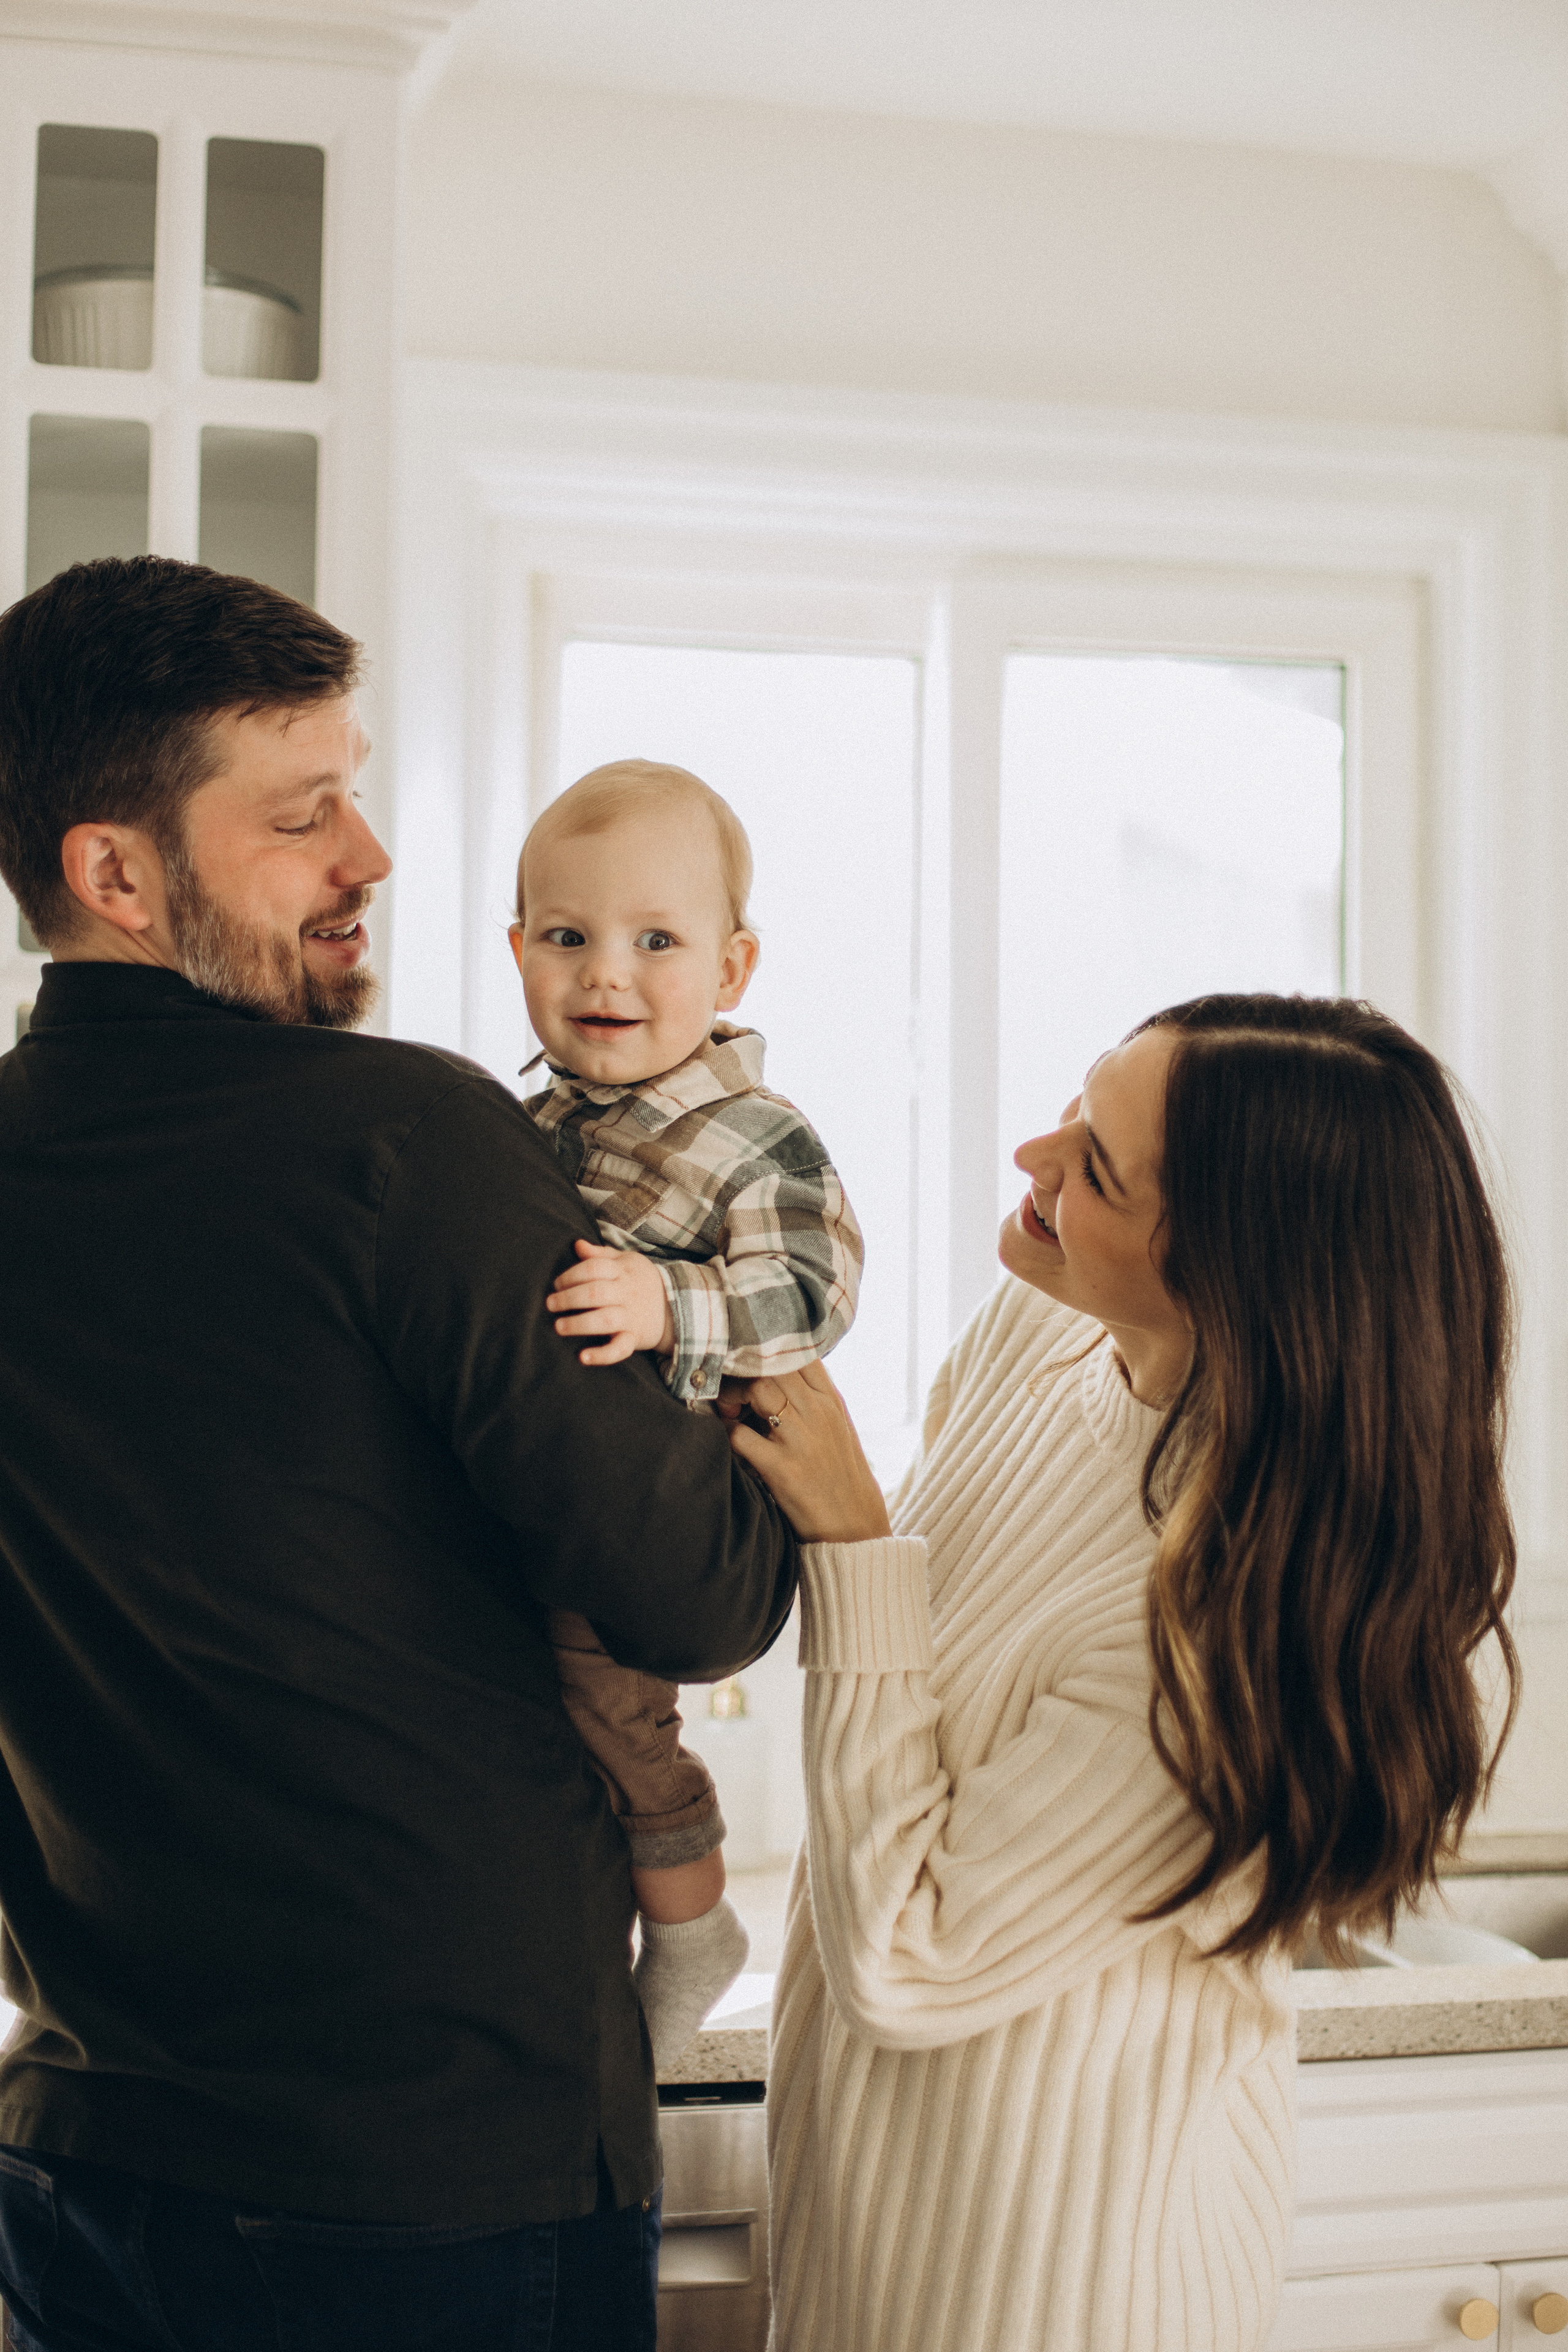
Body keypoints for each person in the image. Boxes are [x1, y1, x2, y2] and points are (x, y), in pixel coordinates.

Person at [0, 557, 797, 2352]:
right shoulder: (408, 1141)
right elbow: (699, 1597)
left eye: (354, 794)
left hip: (83, 2149)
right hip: (431, 2175)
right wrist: (770, 1420)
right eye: (303, 817)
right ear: (114, 873)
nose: (367, 856)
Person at [731, 995, 1518, 2352]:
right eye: (1074, 1110)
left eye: (1093, 1167)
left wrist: (854, 1542)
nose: (1032, 1159)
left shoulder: (1227, 1634)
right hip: (864, 2246)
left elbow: (908, 1954)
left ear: (1234, 1272)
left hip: (1056, 2297)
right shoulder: (1039, 1341)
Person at [508, 758, 862, 2065]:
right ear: (518, 949)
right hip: (548, 1488)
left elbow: (813, 1294)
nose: (605, 975)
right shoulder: (527, 1121)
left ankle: (696, 1918)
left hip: (669, 1500)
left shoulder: (750, 1133)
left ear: (731, 969)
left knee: (611, 1707)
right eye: (567, 937)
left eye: (655, 941)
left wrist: (667, 1308)